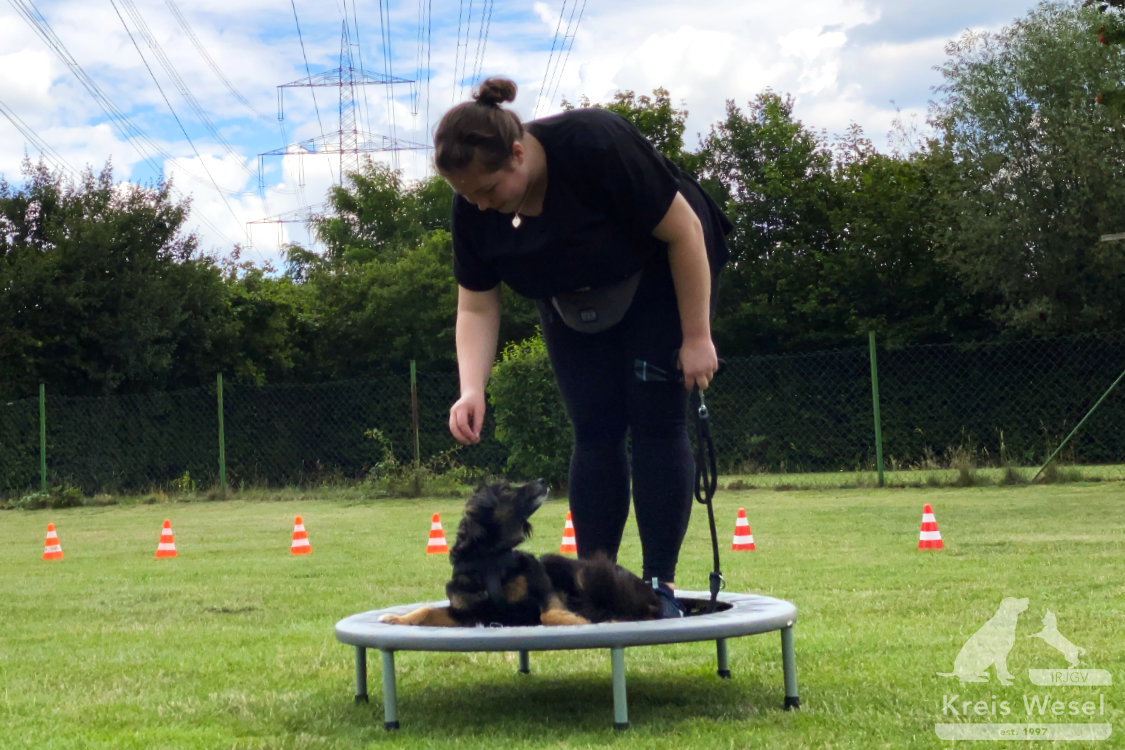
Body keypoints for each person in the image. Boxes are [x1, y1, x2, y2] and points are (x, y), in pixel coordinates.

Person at [436, 77, 731, 617]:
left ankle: (658, 586)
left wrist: (696, 337)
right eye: (467, 196)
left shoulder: (597, 144)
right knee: (594, 431)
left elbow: (685, 232)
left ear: (518, 155)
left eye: (487, 191)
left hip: (662, 278)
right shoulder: (474, 209)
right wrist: (471, 387)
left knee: (656, 422)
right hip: (570, 297)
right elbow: (476, 304)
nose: (479, 206)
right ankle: (597, 584)